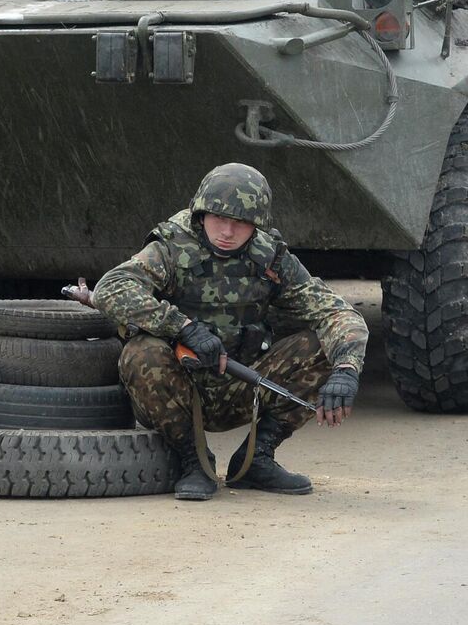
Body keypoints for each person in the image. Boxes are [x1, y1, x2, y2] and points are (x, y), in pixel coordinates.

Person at [79, 163, 368, 502]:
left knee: (319, 347)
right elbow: (113, 287)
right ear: (200, 214)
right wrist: (183, 327)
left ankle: (256, 460)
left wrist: (346, 370)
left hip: (244, 381)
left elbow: (334, 311)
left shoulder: (270, 258)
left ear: (256, 225)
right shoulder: (171, 247)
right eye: (219, 219)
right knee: (142, 353)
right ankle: (193, 462)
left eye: (240, 223)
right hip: (179, 387)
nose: (227, 231)